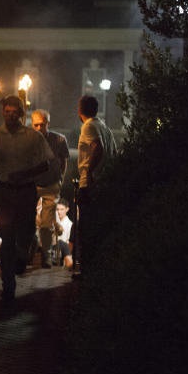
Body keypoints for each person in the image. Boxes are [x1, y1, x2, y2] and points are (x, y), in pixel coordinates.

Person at [0, 95, 55, 306]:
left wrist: (24, 174)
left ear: (20, 113)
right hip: (5, 192)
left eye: (13, 112)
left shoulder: (33, 137)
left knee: (24, 233)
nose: (9, 116)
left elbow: (45, 164)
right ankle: (8, 286)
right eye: (6, 112)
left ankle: (22, 254)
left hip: (25, 192)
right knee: (6, 237)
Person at [75, 95, 117, 273]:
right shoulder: (105, 127)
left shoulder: (89, 126)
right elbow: (113, 151)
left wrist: (89, 172)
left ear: (80, 110)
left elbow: (97, 147)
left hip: (90, 183)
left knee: (86, 226)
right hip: (105, 182)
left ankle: (87, 267)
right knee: (98, 224)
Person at [31, 109, 69, 268]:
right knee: (27, 220)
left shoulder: (59, 140)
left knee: (47, 224)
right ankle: (29, 252)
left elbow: (64, 161)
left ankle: (46, 255)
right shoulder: (28, 139)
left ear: (48, 123)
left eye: (43, 124)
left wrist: (60, 179)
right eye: (36, 125)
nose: (39, 128)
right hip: (32, 184)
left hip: (50, 185)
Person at [54, 198, 73, 267]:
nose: (59, 212)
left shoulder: (70, 224)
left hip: (63, 257)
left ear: (67, 209)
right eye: (57, 209)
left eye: (61, 209)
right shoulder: (53, 223)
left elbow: (69, 245)